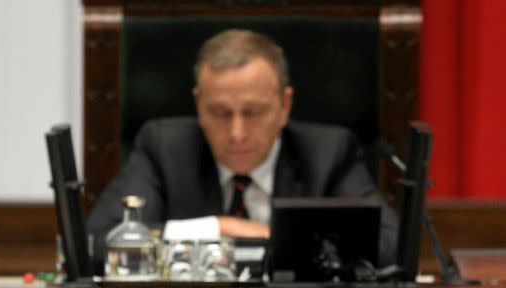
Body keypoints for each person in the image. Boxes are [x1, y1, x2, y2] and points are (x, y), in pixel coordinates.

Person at [87, 29, 399, 267]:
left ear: (284, 106)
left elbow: (390, 245)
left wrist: (279, 239)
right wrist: (219, 227)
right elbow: (96, 244)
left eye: (253, 113)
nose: (237, 133)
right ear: (199, 105)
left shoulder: (328, 152)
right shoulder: (164, 147)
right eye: (221, 113)